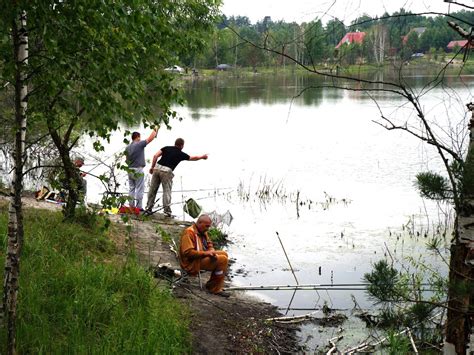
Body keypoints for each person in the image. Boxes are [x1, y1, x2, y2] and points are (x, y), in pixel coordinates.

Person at [145, 138, 207, 217]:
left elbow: (155, 156)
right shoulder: (180, 154)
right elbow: (193, 158)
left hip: (157, 168)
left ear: (175, 143)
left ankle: (148, 208)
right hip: (166, 171)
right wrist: (202, 157)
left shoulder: (166, 148)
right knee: (167, 191)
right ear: (182, 145)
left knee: (152, 189)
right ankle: (167, 211)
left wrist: (152, 167)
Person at [179, 214, 230, 297]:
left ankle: (212, 284)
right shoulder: (189, 232)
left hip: (200, 257)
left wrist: (211, 251)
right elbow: (188, 253)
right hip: (192, 263)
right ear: (199, 223)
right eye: (206, 226)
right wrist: (206, 253)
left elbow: (210, 245)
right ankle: (214, 289)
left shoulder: (203, 231)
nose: (208, 229)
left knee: (224, 254)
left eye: (209, 226)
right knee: (222, 260)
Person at [125, 126, 159, 209]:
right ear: (137, 137)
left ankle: (131, 206)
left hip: (129, 169)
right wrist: (155, 129)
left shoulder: (127, 147)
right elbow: (150, 138)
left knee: (131, 189)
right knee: (139, 188)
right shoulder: (139, 144)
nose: (140, 139)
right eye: (140, 137)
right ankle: (139, 207)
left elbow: (126, 160)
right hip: (138, 169)